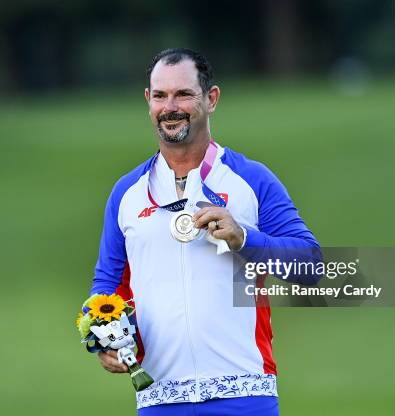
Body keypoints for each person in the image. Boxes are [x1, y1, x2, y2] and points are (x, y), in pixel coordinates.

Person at [88, 48, 319, 416]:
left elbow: (312, 268)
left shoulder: (251, 180)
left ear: (211, 99)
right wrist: (102, 339)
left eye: (184, 94)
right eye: (160, 95)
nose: (170, 106)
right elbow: (107, 286)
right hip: (160, 398)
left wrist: (245, 239)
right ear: (148, 101)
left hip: (245, 393)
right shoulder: (126, 194)